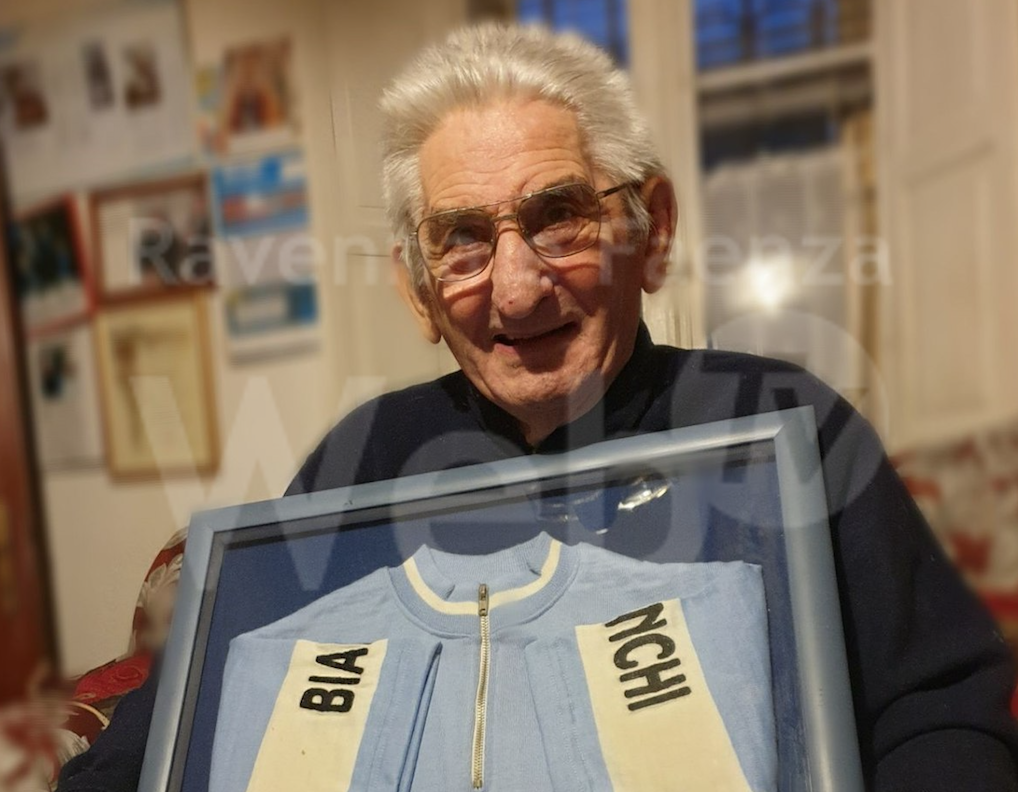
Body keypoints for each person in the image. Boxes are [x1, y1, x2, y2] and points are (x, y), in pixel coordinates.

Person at [59, 23, 1018, 791]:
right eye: (462, 240)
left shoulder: (782, 421)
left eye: (559, 217)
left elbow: (939, 712)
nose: (516, 291)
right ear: (419, 291)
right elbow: (190, 714)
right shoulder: (367, 455)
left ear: (651, 232)